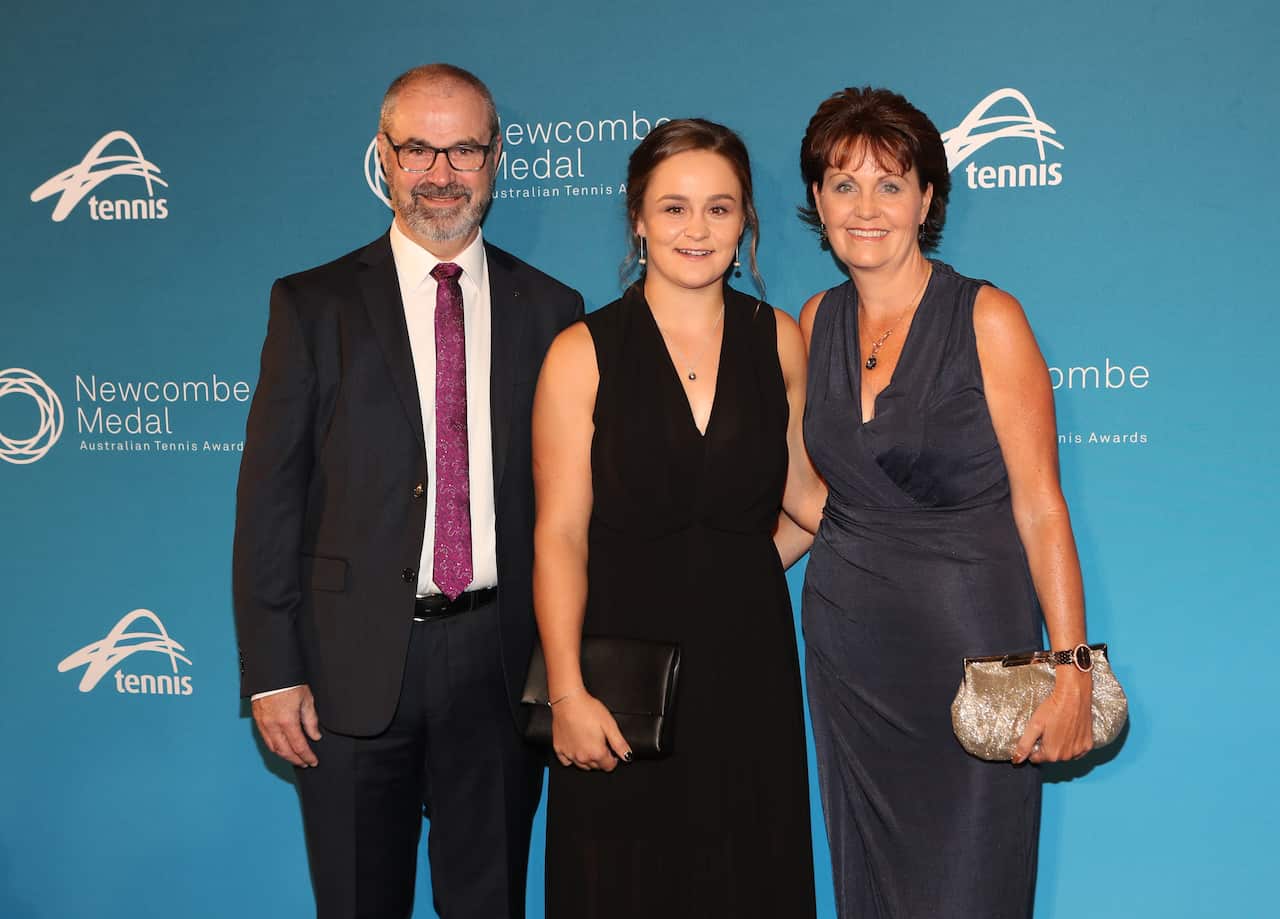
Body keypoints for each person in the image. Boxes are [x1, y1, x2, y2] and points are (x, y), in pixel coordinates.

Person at [232, 63, 583, 919]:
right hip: (349, 666)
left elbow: (571, 504)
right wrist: (273, 671)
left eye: (463, 148)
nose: (440, 173)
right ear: (382, 157)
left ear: (497, 157)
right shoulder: (311, 305)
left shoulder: (553, 309)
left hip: (499, 665)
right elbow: (270, 497)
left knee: (488, 900)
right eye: (418, 148)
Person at [796, 86, 1095, 919]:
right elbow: (812, 502)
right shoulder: (814, 320)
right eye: (842, 183)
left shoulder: (987, 318)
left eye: (890, 184)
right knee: (872, 892)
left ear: (927, 199)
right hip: (851, 658)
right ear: (816, 200)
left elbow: (1040, 504)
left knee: (969, 888)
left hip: (974, 662)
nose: (865, 207)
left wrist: (1070, 668)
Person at [530, 118, 825, 919]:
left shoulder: (781, 340)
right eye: (674, 208)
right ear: (637, 218)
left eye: (720, 209)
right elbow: (558, 534)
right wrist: (565, 692)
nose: (697, 230)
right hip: (621, 683)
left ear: (746, 222)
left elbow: (807, 500)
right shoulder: (581, 352)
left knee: (747, 880)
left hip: (749, 667)